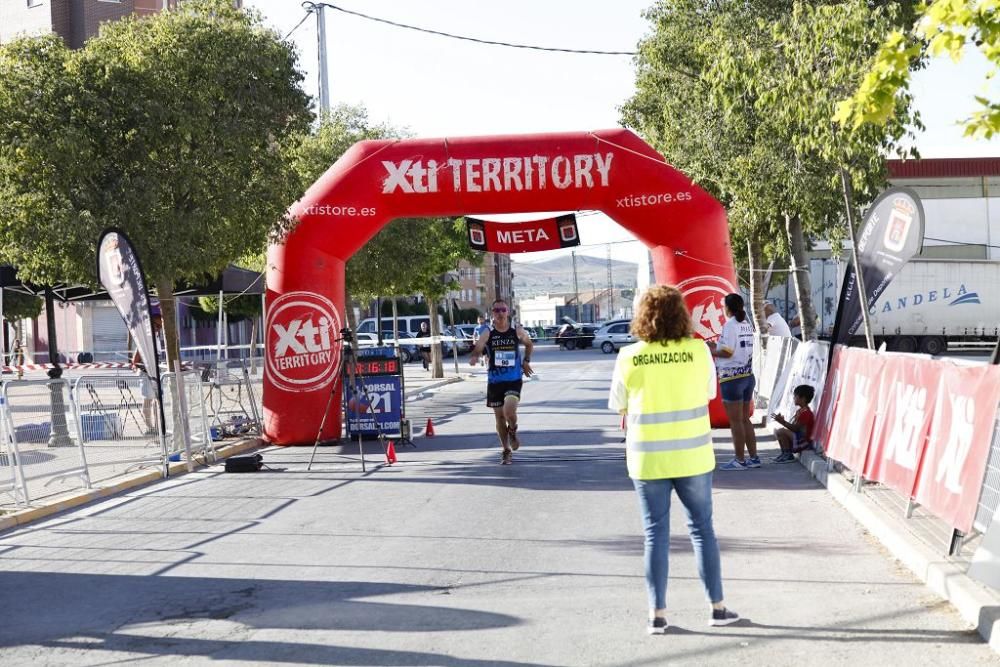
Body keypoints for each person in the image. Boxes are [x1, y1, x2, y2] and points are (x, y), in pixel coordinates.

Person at [608, 285, 739, 635]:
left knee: (655, 535)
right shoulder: (698, 351)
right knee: (702, 531)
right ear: (681, 314)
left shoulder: (628, 356)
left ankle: (657, 614)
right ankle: (718, 608)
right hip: (692, 456)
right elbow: (710, 393)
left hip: (648, 459)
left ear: (642, 316)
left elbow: (619, 406)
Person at [469, 299, 534, 464]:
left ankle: (512, 429)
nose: (500, 313)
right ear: (492, 313)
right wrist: (475, 355)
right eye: (496, 310)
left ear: (508, 312)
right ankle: (506, 450)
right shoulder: (488, 333)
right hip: (495, 381)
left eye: (503, 310)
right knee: (499, 418)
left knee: (509, 412)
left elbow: (529, 344)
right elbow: (479, 345)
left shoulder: (516, 331)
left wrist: (526, 361)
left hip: (513, 380)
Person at [708, 293, 760, 471]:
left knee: (735, 422)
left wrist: (711, 350)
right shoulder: (746, 323)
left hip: (732, 377)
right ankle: (753, 457)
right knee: (745, 419)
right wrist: (718, 348)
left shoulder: (730, 325)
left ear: (727, 308)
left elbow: (728, 353)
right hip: (747, 375)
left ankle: (739, 459)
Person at [131, 311, 163, 436]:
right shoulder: (145, 339)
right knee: (148, 401)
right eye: (157, 326)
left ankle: (157, 427)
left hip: (156, 374)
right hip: (146, 374)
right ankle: (150, 428)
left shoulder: (156, 338)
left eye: (160, 327)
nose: (159, 329)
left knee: (156, 401)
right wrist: (141, 367)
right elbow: (135, 361)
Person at [771, 384, 816, 463]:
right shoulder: (800, 411)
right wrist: (782, 421)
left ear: (803, 398)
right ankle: (785, 453)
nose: (794, 398)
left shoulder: (806, 413)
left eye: (795, 396)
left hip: (804, 442)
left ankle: (788, 455)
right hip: (798, 439)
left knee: (781, 431)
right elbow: (794, 427)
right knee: (778, 431)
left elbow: (795, 428)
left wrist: (782, 422)